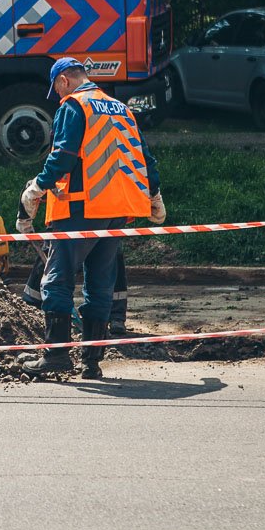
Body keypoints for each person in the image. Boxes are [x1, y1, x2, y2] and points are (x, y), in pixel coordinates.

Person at [18, 57, 166, 379]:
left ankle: (56, 356)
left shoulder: (74, 106)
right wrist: (153, 194)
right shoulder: (120, 108)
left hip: (80, 210)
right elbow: (144, 157)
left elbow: (63, 157)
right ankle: (91, 362)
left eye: (56, 91)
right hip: (117, 212)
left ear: (63, 82)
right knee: (100, 285)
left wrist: (36, 188)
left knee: (56, 280)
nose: (57, 98)